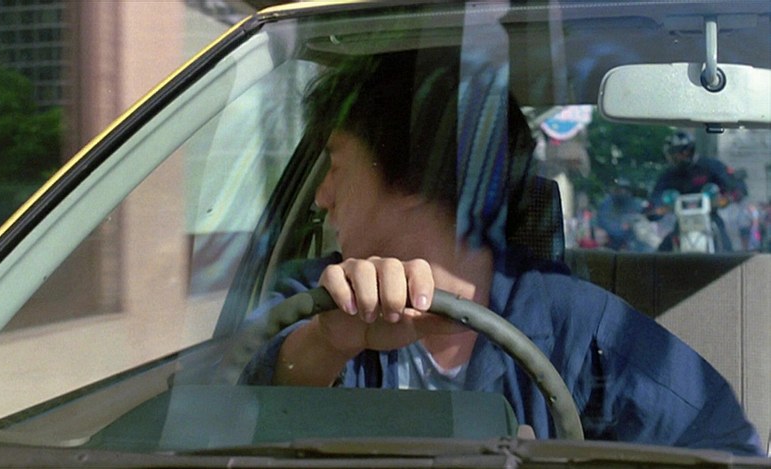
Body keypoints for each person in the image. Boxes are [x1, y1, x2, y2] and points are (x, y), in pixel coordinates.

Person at [239, 51, 762, 455]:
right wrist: (327, 342)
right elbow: (223, 406)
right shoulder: (313, 296)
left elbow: (723, 446)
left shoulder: (576, 325)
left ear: (414, 175)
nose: (320, 196)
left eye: (335, 166)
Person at [649, 131, 747, 251]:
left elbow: (733, 182)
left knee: (725, 249)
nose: (676, 156)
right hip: (682, 222)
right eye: (673, 153)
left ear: (688, 151)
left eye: (678, 152)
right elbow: (656, 196)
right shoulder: (668, 175)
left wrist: (731, 195)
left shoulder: (711, 166)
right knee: (661, 254)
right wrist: (654, 209)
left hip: (710, 217)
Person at [595, 178, 648, 251]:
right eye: (619, 189)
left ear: (629, 191)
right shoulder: (607, 203)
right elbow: (602, 221)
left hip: (631, 243)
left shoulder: (637, 204)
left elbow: (642, 222)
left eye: (625, 189)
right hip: (609, 241)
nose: (622, 191)